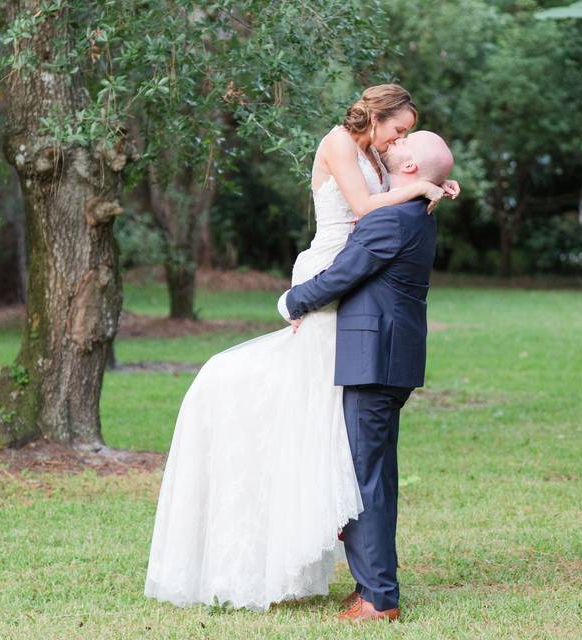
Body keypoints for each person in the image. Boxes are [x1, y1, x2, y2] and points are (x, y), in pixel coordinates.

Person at [144, 84, 456, 614]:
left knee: (346, 449)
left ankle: (371, 588)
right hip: (339, 287)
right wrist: (422, 185)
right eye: (398, 130)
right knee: (334, 438)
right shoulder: (344, 147)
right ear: (376, 117)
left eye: (406, 138)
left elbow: (375, 229)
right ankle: (352, 568)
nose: (398, 141)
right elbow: (363, 209)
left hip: (354, 301)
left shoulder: (391, 182)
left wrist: (430, 182)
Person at [280, 129, 454, 622]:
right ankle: (372, 586)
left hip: (372, 358)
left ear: (412, 169)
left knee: (364, 478)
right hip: (389, 358)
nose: (392, 143)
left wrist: (291, 301)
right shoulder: (414, 211)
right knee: (376, 476)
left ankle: (378, 598)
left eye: (403, 141)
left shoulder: (391, 219)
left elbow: (342, 276)